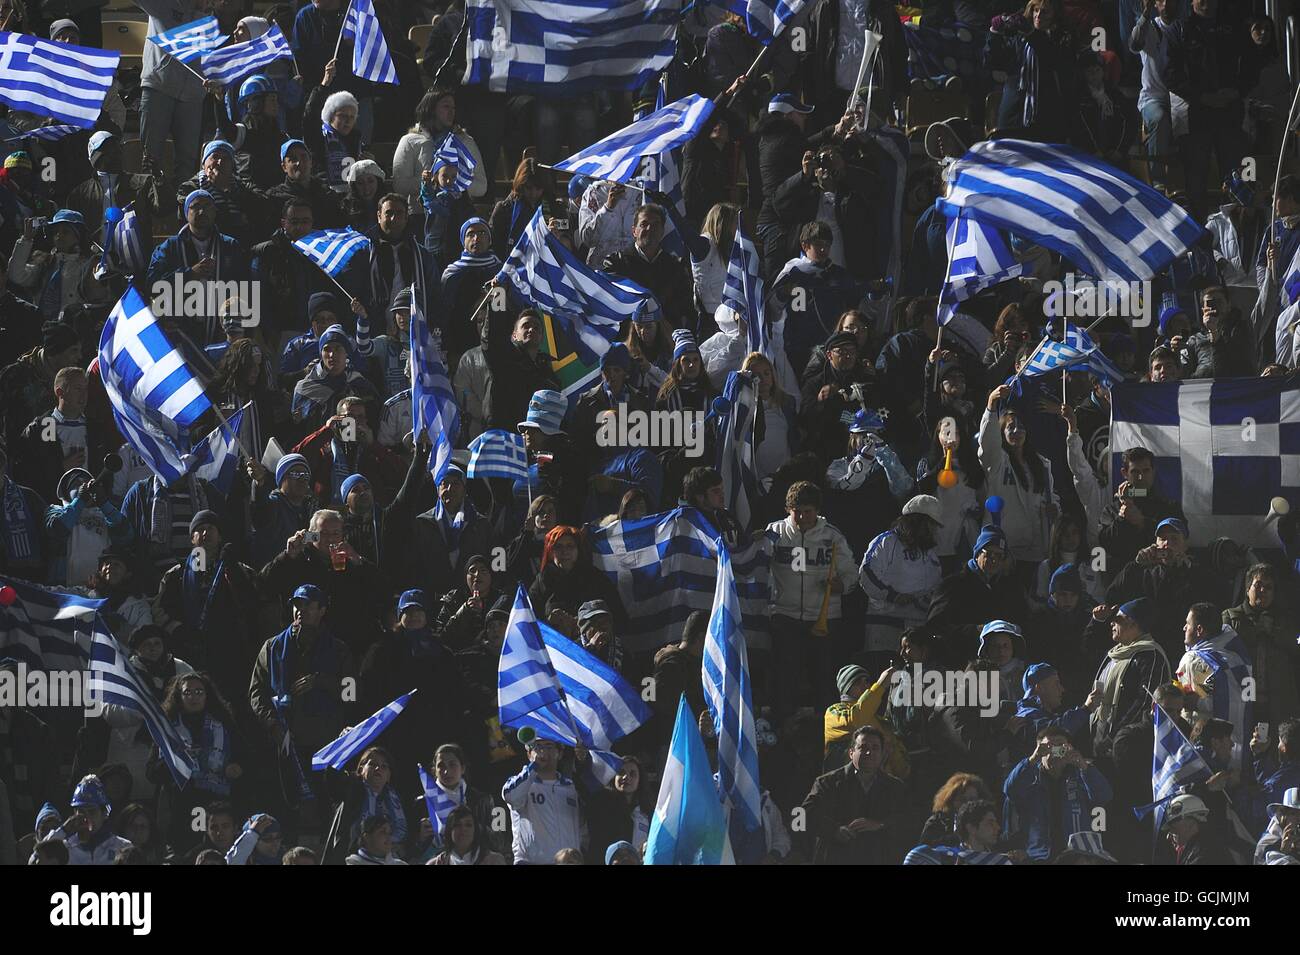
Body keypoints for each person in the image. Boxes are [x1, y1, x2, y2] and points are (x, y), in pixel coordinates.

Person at [765, 481, 857, 719]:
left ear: (817, 510)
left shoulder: (833, 536)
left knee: (824, 678)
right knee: (785, 678)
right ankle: (782, 727)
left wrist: (842, 585)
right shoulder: (773, 533)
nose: (804, 517)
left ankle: (824, 729)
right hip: (785, 616)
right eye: (798, 511)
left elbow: (851, 573)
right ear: (788, 509)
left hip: (825, 618)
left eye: (809, 511)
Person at [800, 725, 910, 865]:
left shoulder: (895, 787)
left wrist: (880, 824)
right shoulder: (827, 782)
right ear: (851, 753)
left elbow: (910, 819)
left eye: (875, 748)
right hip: (836, 857)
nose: (869, 752)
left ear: (883, 754)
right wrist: (834, 830)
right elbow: (802, 816)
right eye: (863, 748)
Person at [1003, 726, 1113, 861]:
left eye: (1060, 746)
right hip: (1039, 857)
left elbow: (1104, 797)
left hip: (1077, 855)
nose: (1055, 751)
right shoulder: (1029, 778)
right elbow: (1010, 790)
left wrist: (1084, 766)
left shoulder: (1081, 776)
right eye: (1049, 746)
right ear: (1039, 750)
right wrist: (1032, 760)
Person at [857, 496, 943, 664]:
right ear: (919, 522)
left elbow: (936, 586)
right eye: (932, 526)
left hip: (916, 628)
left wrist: (924, 602)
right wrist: (893, 596)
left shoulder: (930, 554)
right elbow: (867, 574)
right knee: (884, 675)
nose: (934, 531)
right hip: (884, 623)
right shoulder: (886, 541)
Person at [1088, 598, 1172, 757]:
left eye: (1117, 619)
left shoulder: (1150, 656)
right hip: (1101, 730)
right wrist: (1096, 622)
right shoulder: (1116, 652)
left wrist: (1116, 736)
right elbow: (1087, 648)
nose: (1111, 623)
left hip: (1126, 742)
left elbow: (1145, 702)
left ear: (1133, 623)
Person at [1222, 564, 1300, 730]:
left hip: (1277, 699)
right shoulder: (1230, 617)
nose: (1263, 590)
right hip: (1241, 697)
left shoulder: (1285, 621)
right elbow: (1223, 653)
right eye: (1258, 585)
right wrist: (1254, 632)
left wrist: (1273, 632)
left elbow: (1295, 648)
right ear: (1247, 587)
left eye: (1269, 587)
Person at [502, 737, 586, 865]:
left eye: (549, 746)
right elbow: (511, 797)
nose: (543, 751)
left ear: (560, 753)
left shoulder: (571, 787)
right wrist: (533, 767)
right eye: (537, 747)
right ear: (529, 754)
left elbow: (583, 827)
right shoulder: (520, 784)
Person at [42, 775, 133, 865]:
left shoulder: (122, 847)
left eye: (92, 812)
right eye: (81, 811)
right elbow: (36, 860)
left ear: (104, 813)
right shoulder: (65, 848)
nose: (86, 817)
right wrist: (63, 830)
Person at [1162, 792, 1231, 864]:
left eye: (1174, 828)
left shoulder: (1206, 853)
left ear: (1191, 824)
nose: (1168, 836)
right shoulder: (1199, 848)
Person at [427, 805, 508, 865]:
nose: (463, 829)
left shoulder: (494, 861)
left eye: (468, 825)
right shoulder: (435, 863)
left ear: (475, 830)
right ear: (449, 831)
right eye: (457, 825)